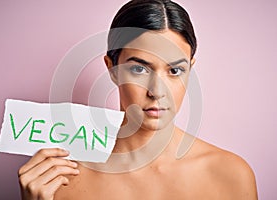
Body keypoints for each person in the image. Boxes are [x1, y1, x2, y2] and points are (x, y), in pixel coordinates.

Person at [18, 0, 258, 199]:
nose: (157, 91)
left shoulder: (231, 175)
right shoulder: (59, 179)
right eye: (139, 69)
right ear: (112, 69)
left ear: (190, 70)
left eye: (174, 71)